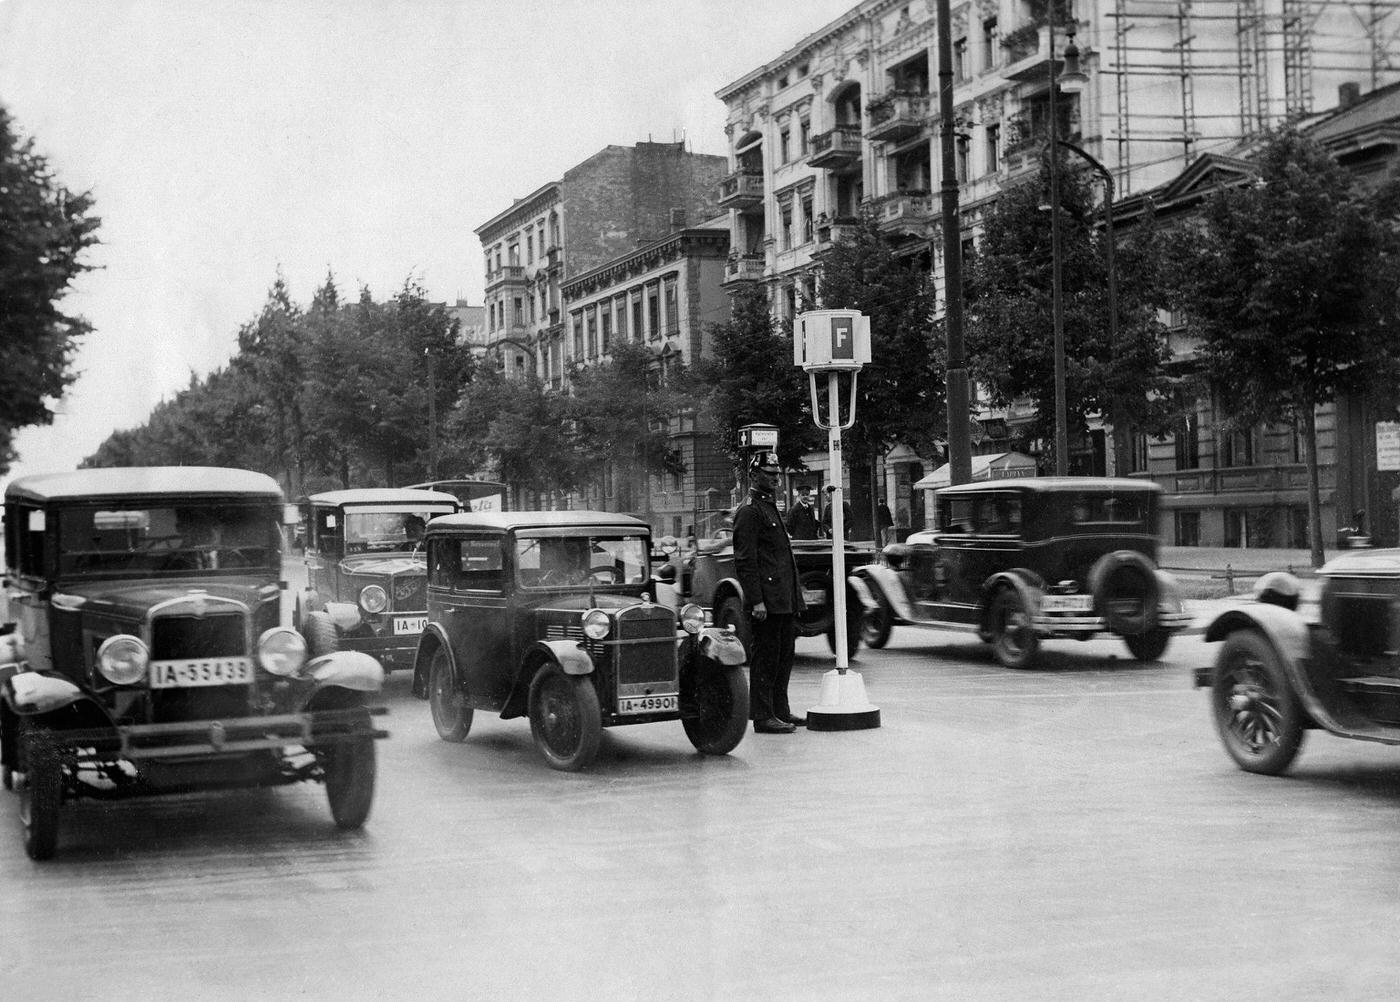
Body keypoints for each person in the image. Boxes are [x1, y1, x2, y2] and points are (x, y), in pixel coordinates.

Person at [733, 450, 806, 734]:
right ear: (754, 475)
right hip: (768, 600)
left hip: (783, 598)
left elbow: (782, 556)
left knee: (784, 655)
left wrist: (793, 597)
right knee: (766, 657)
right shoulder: (750, 510)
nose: (776, 478)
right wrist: (756, 601)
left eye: (777, 474)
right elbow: (745, 561)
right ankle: (763, 716)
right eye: (770, 474)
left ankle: (780, 710)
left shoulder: (770, 506)